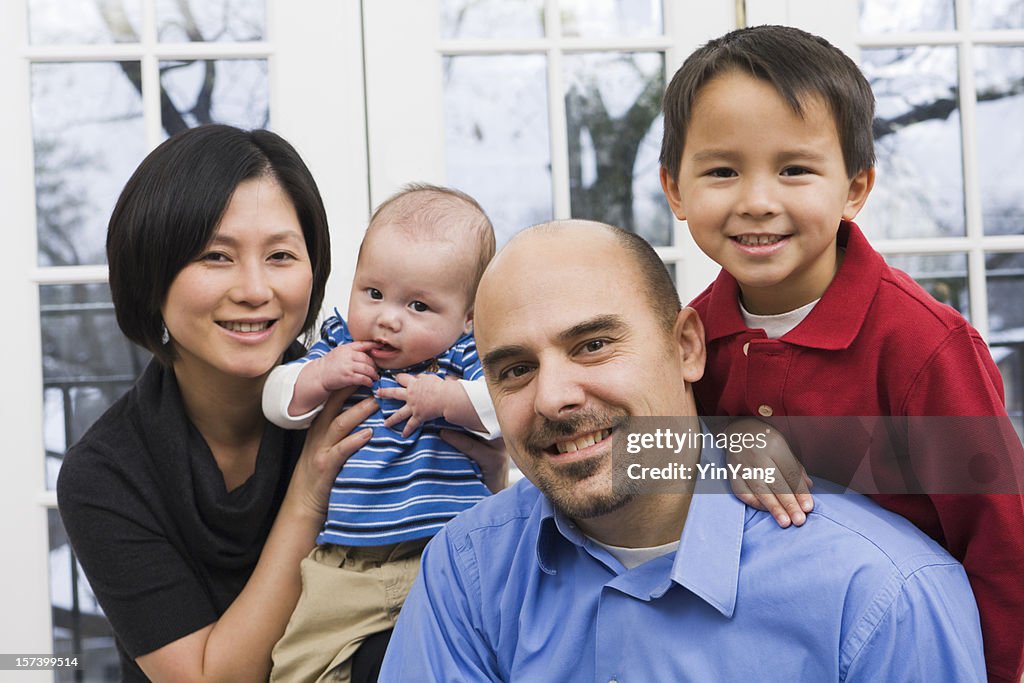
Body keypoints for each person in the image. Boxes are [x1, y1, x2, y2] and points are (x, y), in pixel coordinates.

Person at [378, 220, 986, 681]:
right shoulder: (467, 569)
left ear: (688, 348)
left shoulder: (882, 593)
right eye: (514, 370)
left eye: (592, 345)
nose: (552, 399)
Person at [54, 125, 500, 682]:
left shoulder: (369, 385)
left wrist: (489, 475)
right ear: (151, 271)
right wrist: (309, 494)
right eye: (216, 256)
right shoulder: (105, 473)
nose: (254, 289)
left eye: (282, 255)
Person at [657, 25, 1024, 683]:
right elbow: (637, 454)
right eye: (722, 170)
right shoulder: (687, 337)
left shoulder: (924, 347)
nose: (758, 201)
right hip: (751, 648)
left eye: (794, 169)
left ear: (855, 188)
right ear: (675, 189)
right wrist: (725, 440)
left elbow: (1003, 543)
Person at [263, 184, 504, 682]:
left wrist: (446, 399)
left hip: (446, 555)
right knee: (297, 665)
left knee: (468, 658)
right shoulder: (340, 344)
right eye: (372, 293)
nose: (387, 319)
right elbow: (277, 401)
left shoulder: (463, 357)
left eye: (418, 306)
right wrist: (321, 375)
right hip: (347, 565)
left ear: (467, 318)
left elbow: (505, 408)